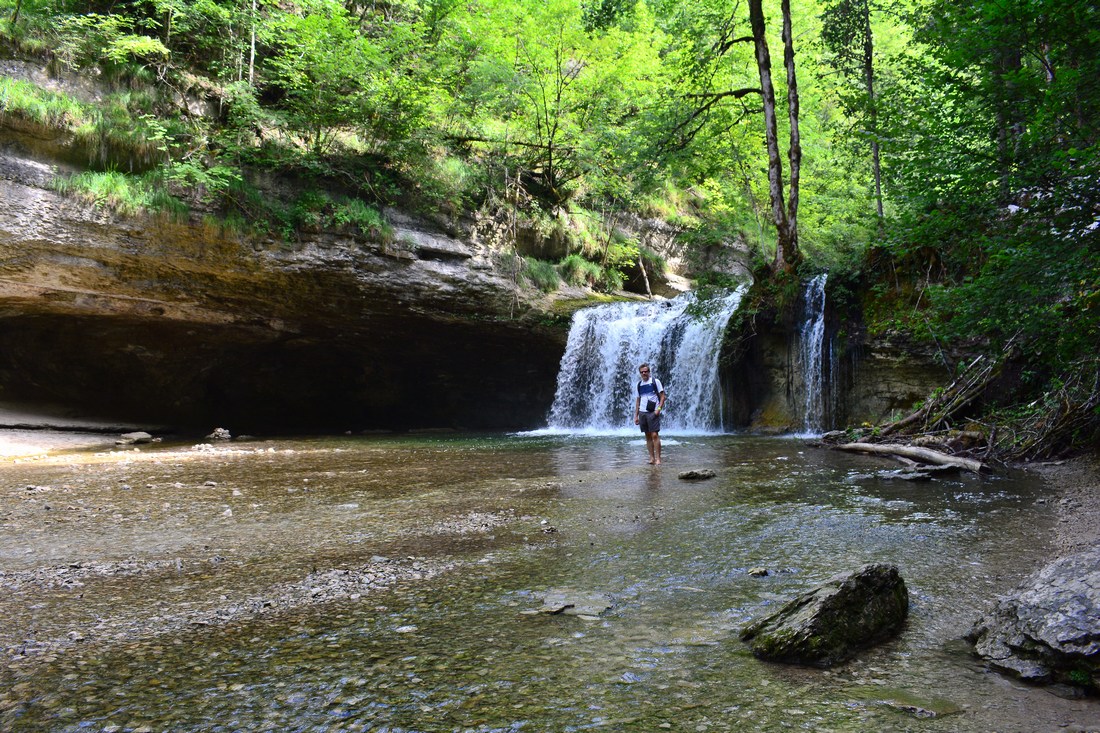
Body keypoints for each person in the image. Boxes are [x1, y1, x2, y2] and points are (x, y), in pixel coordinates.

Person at [634, 362, 666, 465]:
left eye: (646, 371)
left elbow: (663, 397)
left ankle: (658, 459)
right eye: (642, 372)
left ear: (649, 372)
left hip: (653, 412)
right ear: (640, 373)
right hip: (642, 413)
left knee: (654, 435)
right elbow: (638, 401)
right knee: (647, 436)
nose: (644, 373)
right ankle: (652, 458)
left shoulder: (655, 381)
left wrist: (658, 409)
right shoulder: (639, 385)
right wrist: (636, 416)